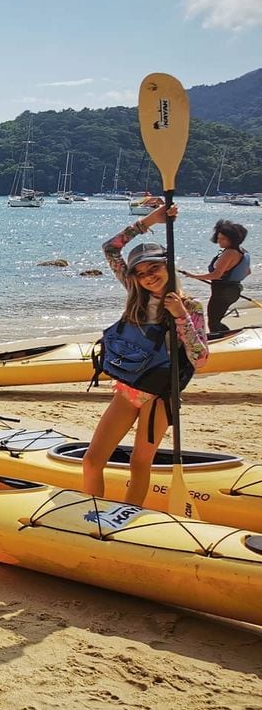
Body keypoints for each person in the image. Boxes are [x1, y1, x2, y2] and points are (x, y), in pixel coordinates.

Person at [81, 204, 209, 504]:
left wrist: (180, 317)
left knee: (139, 464)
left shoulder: (190, 307)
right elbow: (111, 249)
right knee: (91, 460)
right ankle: (90, 511)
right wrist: (150, 220)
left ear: (169, 265)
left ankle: (128, 516)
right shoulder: (134, 293)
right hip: (127, 390)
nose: (148, 276)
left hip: (161, 395)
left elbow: (200, 358)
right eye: (140, 273)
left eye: (155, 268)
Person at [181, 220, 251, 334]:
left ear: (232, 239)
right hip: (233, 290)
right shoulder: (242, 251)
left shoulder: (229, 253)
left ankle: (228, 340)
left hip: (222, 293)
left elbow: (216, 275)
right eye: (218, 238)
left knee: (213, 323)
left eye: (223, 239)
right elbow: (247, 272)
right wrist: (231, 280)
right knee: (216, 321)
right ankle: (229, 337)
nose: (219, 242)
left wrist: (193, 276)